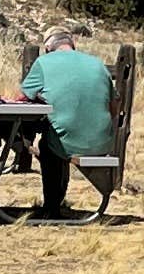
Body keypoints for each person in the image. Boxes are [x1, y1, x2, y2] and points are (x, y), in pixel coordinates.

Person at [20, 38, 114, 217]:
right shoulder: (97, 64)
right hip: (101, 142)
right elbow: (114, 107)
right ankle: (57, 201)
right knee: (57, 138)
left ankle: (51, 207)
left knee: (49, 145)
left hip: (66, 141)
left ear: (48, 48)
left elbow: (25, 96)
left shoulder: (44, 62)